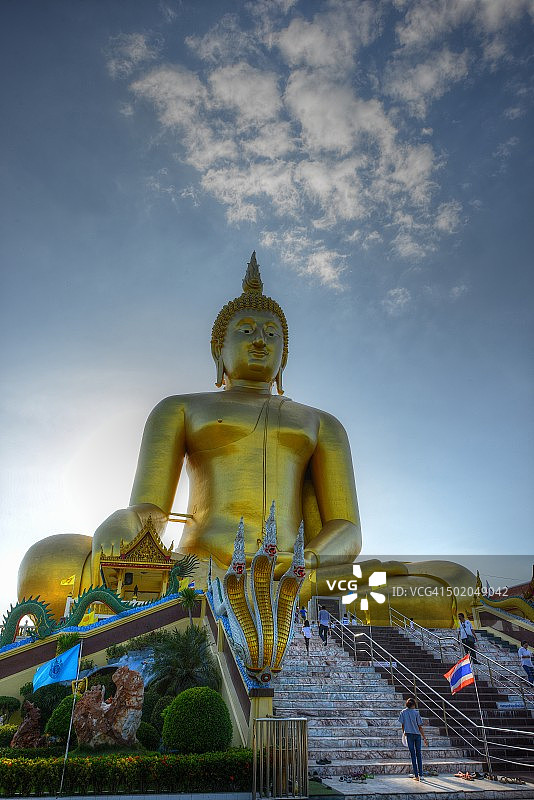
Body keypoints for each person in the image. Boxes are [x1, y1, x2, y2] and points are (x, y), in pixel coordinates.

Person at [399, 697, 428, 781]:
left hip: (409, 735)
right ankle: (421, 774)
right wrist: (424, 738)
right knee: (418, 754)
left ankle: (416, 775)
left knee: (413, 755)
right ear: (413, 705)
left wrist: (404, 733)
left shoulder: (403, 712)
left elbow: (402, 725)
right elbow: (420, 726)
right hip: (417, 735)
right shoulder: (416, 713)